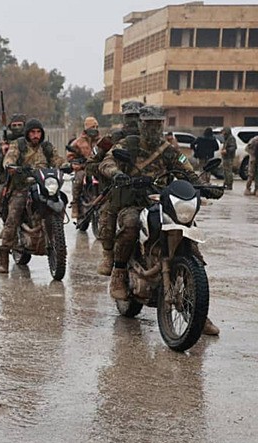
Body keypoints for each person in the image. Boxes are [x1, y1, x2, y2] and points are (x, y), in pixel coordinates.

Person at [98, 105, 223, 335]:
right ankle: (119, 272)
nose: (154, 128)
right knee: (130, 224)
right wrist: (117, 173)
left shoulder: (169, 149)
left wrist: (205, 186)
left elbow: (186, 169)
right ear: (142, 124)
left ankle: (197, 312)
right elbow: (106, 162)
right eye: (150, 124)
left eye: (158, 123)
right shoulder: (128, 144)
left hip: (163, 201)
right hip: (134, 202)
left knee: (191, 247)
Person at [0, 118, 64, 273]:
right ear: (27, 133)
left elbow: (57, 159)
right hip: (22, 186)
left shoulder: (46, 147)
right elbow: (10, 158)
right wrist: (10, 165)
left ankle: (57, 238)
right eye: (32, 132)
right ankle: (4, 256)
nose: (35, 135)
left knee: (60, 200)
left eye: (38, 132)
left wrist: (65, 165)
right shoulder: (18, 145)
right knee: (13, 216)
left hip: (43, 185)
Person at [94, 100, 144, 276]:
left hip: (148, 189)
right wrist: (110, 176)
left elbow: (177, 161)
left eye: (137, 116)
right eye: (130, 116)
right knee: (108, 215)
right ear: (124, 117)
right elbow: (94, 163)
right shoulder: (113, 139)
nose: (134, 121)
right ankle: (109, 255)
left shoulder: (155, 140)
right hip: (117, 188)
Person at [0, 113, 27, 224]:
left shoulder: (30, 142)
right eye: (14, 125)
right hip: (9, 181)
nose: (17, 128)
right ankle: (6, 223)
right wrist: (4, 153)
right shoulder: (6, 143)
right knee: (0, 194)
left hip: (27, 179)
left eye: (20, 125)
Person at [67, 116, 101, 220]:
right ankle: (75, 205)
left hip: (99, 167)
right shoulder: (78, 142)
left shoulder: (102, 141)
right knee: (79, 178)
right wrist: (75, 161)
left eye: (96, 126)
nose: (94, 128)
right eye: (92, 126)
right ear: (86, 128)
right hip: (83, 168)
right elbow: (70, 155)